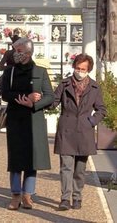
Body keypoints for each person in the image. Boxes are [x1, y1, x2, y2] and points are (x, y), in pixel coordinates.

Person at [1, 38, 54, 210]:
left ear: (28, 53)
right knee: (16, 159)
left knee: (33, 159)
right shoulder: (9, 71)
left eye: (18, 50)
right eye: (14, 50)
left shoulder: (40, 71)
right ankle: (15, 194)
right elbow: (5, 94)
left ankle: (28, 195)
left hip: (34, 118)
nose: (15, 53)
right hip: (16, 118)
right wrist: (24, 98)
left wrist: (33, 104)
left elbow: (49, 96)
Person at [50, 54, 106, 210]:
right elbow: (53, 102)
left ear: (88, 70)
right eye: (77, 68)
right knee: (66, 167)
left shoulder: (94, 87)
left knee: (80, 169)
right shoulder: (64, 84)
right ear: (73, 67)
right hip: (66, 130)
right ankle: (65, 199)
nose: (79, 71)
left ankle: (77, 197)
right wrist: (41, 100)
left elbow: (101, 109)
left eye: (83, 69)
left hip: (84, 131)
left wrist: (91, 121)